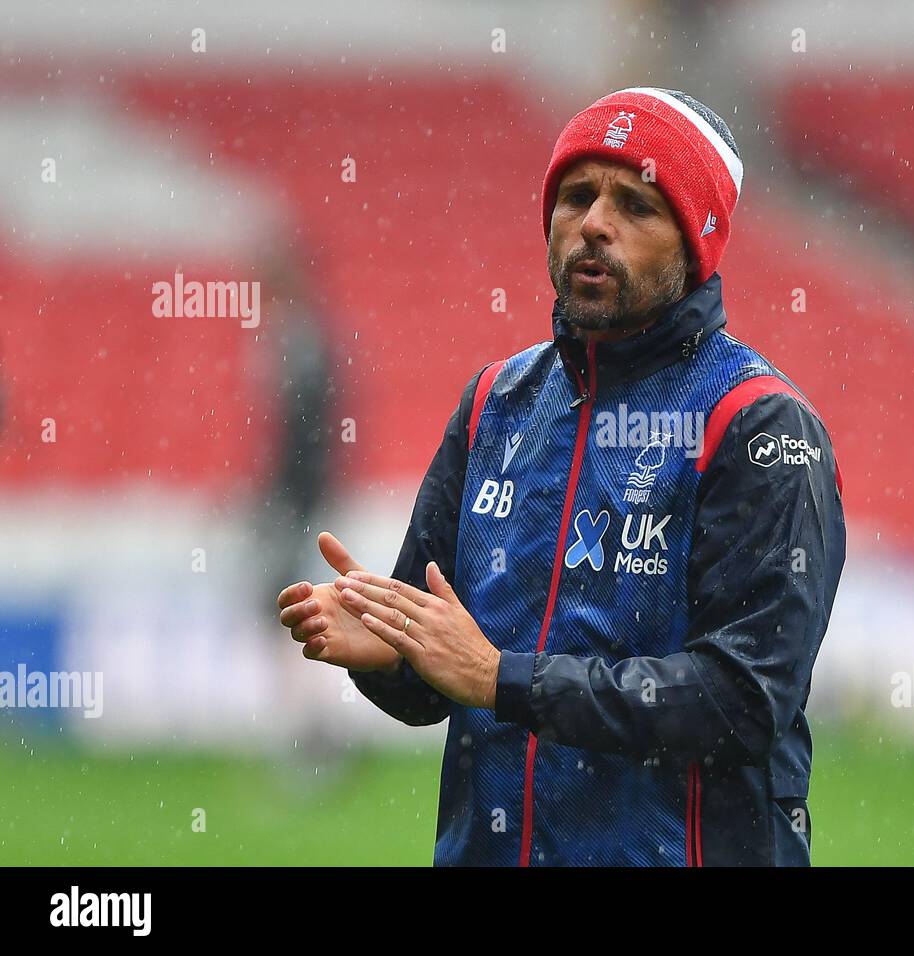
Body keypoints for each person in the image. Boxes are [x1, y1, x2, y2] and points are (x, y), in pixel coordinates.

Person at [277, 87, 846, 866]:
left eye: (636, 206)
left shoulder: (758, 428)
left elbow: (743, 700)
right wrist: (392, 653)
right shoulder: (493, 406)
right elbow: (439, 687)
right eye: (576, 196)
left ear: (695, 239)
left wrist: (504, 679)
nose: (594, 223)